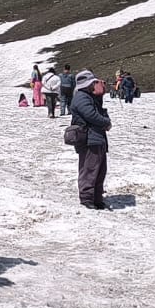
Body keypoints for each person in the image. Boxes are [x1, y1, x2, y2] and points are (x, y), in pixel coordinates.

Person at [70, 70, 112, 209]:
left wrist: (99, 95)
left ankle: (97, 198)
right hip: (89, 138)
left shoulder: (89, 97)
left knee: (100, 170)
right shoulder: (81, 98)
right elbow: (91, 115)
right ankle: (87, 198)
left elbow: (97, 111)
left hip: (96, 137)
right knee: (89, 169)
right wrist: (106, 122)